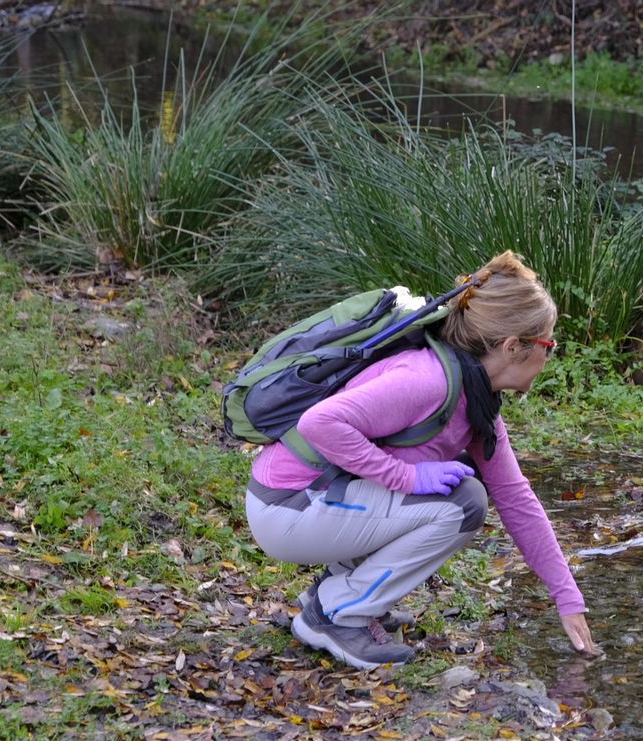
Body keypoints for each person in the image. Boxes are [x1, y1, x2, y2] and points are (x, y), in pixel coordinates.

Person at [243, 250, 599, 669]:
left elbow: (516, 498)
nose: (549, 356)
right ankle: (336, 614)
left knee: (467, 490)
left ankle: (338, 591)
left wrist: (567, 597)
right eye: (548, 345)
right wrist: (406, 477)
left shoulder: (476, 398)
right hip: (286, 506)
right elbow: (320, 423)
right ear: (512, 346)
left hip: (316, 502)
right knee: (464, 503)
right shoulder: (426, 380)